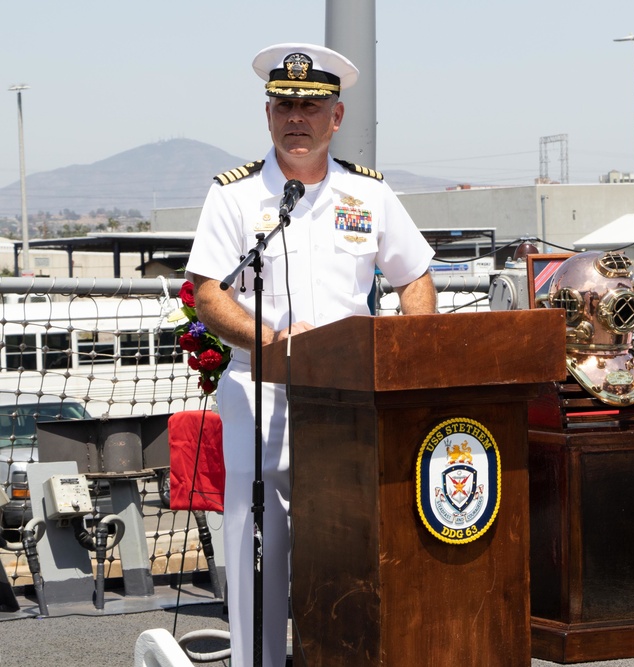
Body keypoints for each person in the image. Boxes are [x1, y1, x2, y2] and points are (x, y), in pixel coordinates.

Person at [185, 43, 436, 667]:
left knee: (359, 539)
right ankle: (257, 661)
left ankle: (351, 655)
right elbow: (208, 295)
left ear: (337, 117)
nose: (298, 118)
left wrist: (412, 353)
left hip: (354, 397)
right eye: (285, 105)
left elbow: (415, 276)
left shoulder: (369, 194)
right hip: (262, 386)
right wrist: (274, 347)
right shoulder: (235, 197)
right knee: (253, 544)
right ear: (268, 115)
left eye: (312, 106)